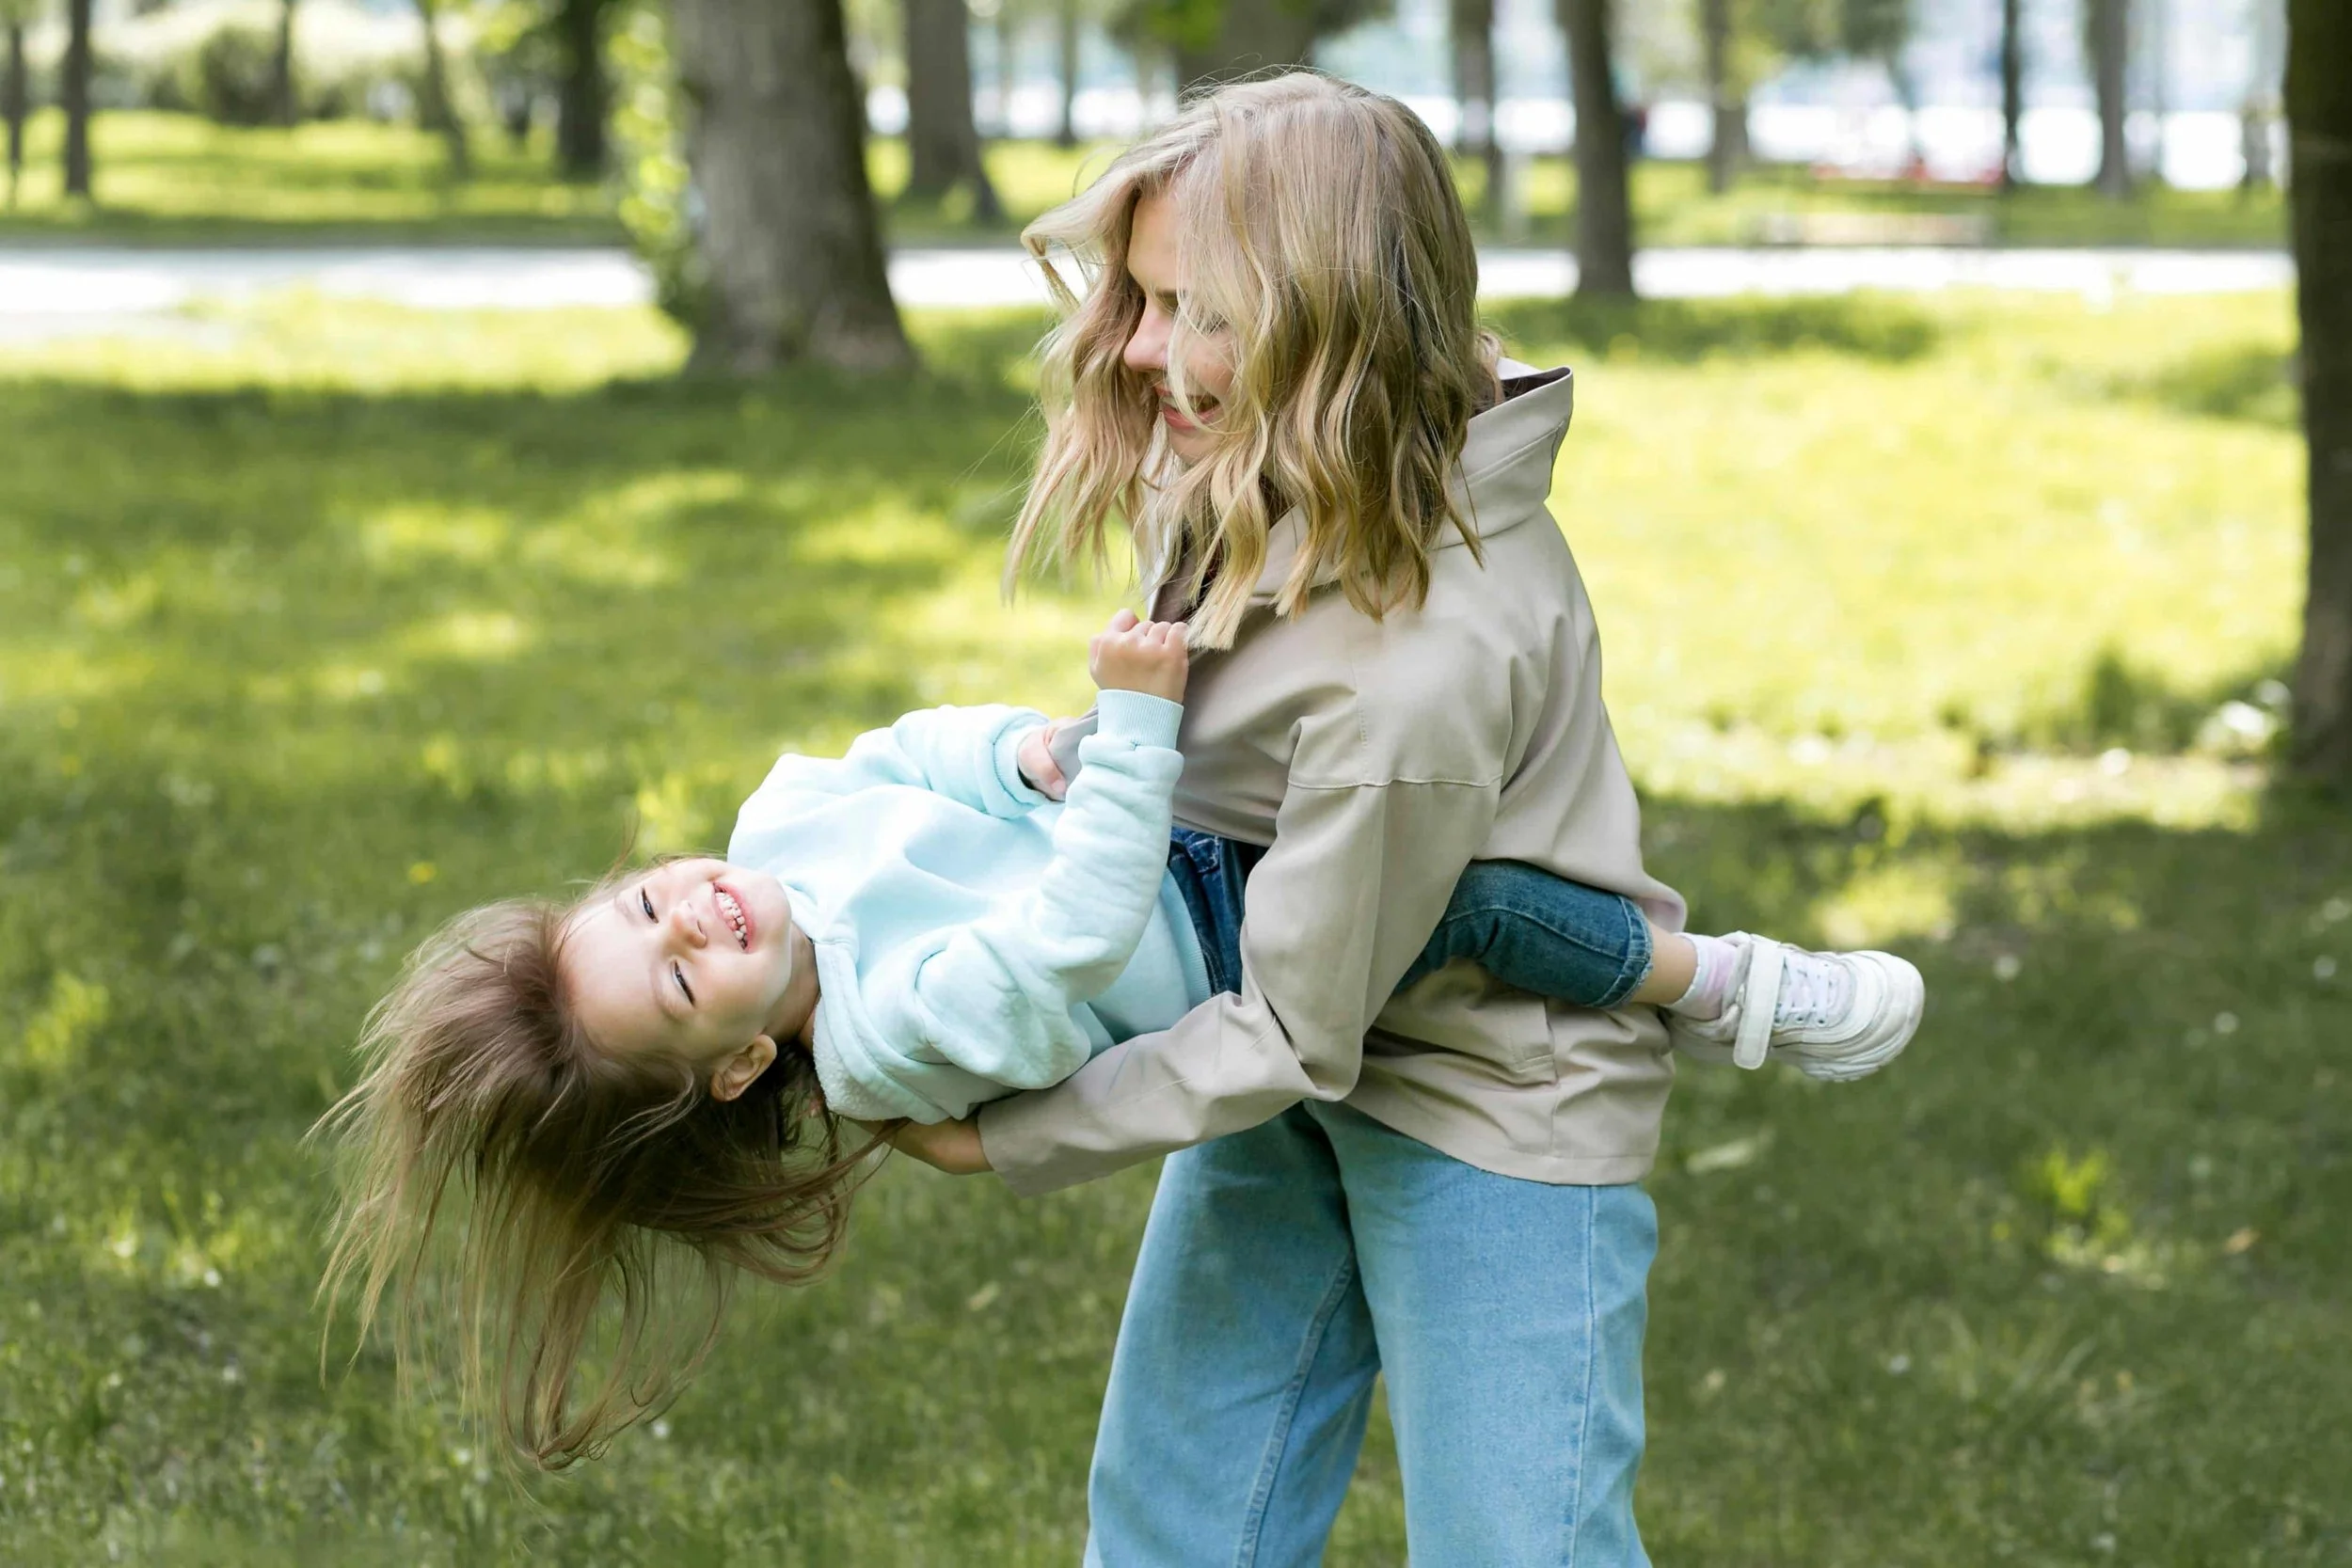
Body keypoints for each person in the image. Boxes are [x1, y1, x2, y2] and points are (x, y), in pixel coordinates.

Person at [886, 72, 1927, 1564]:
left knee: (1522, 1547)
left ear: (1338, 328)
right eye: (1144, 296)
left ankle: (1721, 986)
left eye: (1201, 311)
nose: (1143, 349)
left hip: (1485, 1093)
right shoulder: (1276, 443)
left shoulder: (1421, 664)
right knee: (1178, 1520)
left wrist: (1011, 1136)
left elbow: (1296, 1026)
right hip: (1291, 1039)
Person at [313, 600, 1919, 1473]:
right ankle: (1715, 985)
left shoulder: (780, 818)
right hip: (1226, 935)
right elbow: (1066, 942)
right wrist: (1139, 723)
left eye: (654, 900)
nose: (695, 921)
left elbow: (909, 756)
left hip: (1168, 817)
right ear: (737, 1066)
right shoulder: (882, 1040)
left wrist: (1027, 749)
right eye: (676, 985)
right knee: (1471, 908)